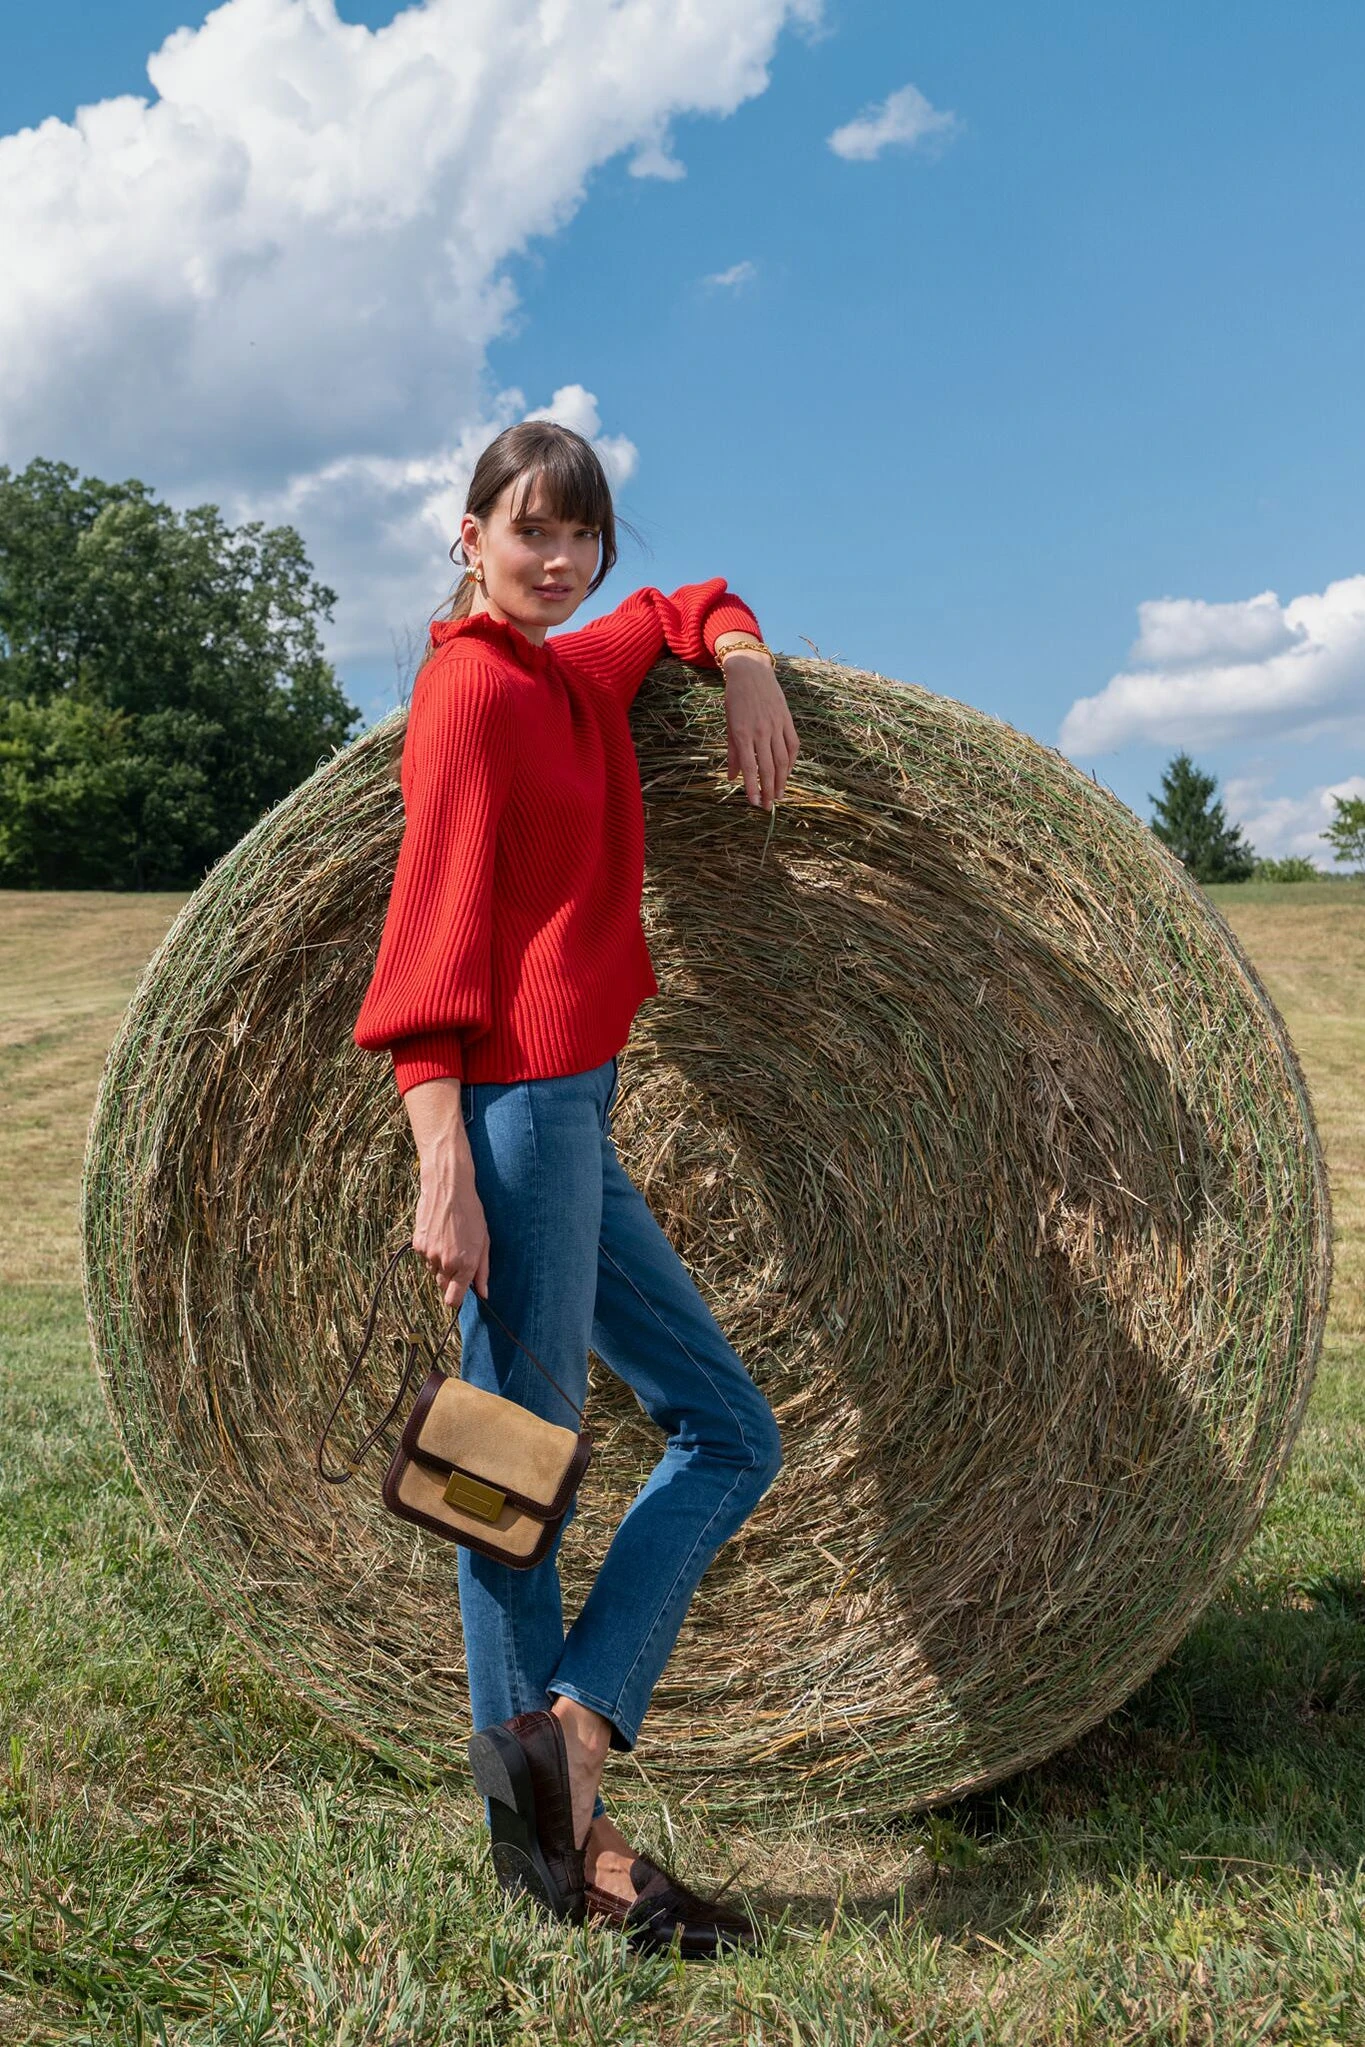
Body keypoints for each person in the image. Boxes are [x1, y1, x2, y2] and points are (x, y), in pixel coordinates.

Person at [352, 419, 799, 1957]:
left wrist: (736, 654)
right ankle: (563, 1839)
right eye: (528, 530)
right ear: (467, 530)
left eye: (580, 535)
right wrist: (441, 1170)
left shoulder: (566, 672)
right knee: (508, 1470)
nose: (558, 558)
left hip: (573, 1111)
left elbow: (684, 606)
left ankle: (569, 1755)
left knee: (725, 1429)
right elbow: (432, 944)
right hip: (509, 1112)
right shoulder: (471, 692)